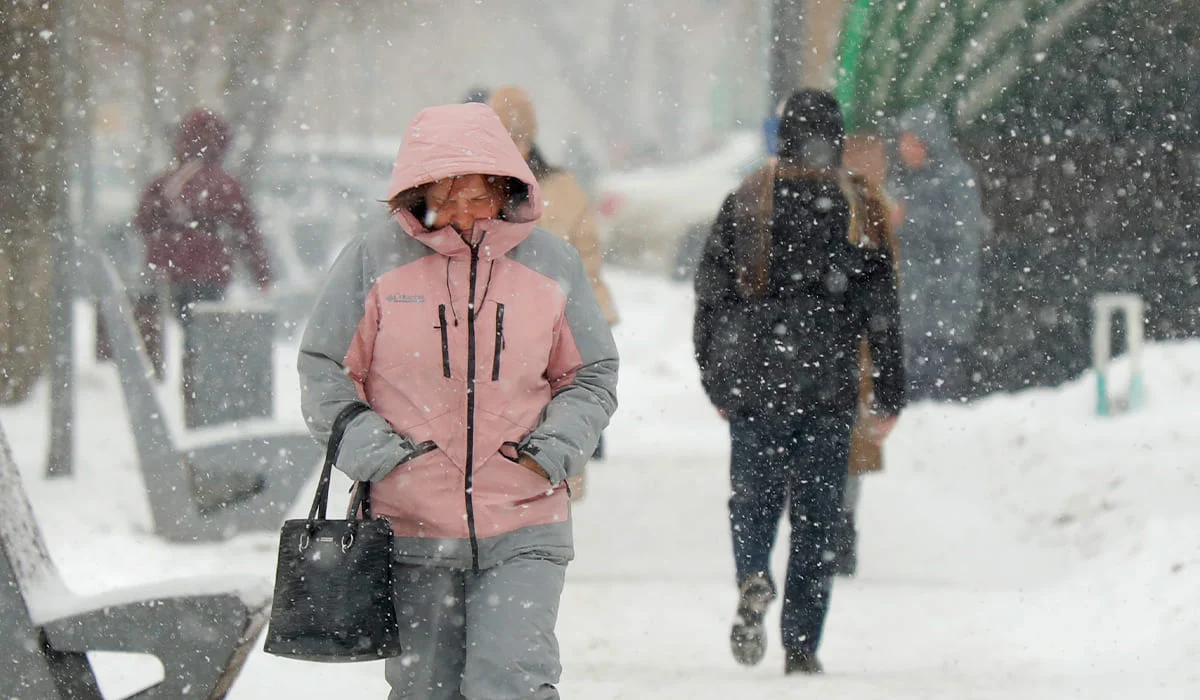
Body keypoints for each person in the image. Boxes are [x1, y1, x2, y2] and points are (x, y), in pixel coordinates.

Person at [297, 102, 618, 699]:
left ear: (505, 189)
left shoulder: (551, 264)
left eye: (477, 196)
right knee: (425, 691)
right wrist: (377, 452)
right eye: (445, 196)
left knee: (512, 683)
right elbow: (324, 368)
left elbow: (591, 373)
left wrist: (550, 450)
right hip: (410, 525)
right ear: (417, 193)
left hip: (525, 519)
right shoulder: (373, 260)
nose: (462, 214)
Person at [692, 89, 905, 675]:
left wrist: (717, 379)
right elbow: (880, 307)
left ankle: (753, 572)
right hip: (828, 383)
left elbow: (712, 295)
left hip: (756, 383)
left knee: (753, 498)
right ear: (835, 140)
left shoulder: (747, 200)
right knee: (818, 517)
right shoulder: (857, 206)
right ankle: (802, 645)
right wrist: (888, 392)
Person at [487, 85, 619, 496]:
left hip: (550, 340)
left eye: (516, 140)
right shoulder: (482, 192)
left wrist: (589, 327)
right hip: (498, 339)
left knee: (550, 456)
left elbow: (587, 263)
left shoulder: (556, 191)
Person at [133, 107, 273, 326]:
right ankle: (192, 356)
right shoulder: (225, 185)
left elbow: (143, 222)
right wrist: (260, 272)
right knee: (201, 336)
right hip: (208, 273)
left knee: (159, 333)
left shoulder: (166, 181)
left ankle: (158, 358)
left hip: (165, 272)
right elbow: (245, 232)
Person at [886, 105, 987, 402]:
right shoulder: (903, 180)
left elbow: (961, 228)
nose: (906, 149)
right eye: (903, 141)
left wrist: (909, 218)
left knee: (941, 387)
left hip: (945, 305)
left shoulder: (957, 177)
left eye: (913, 141)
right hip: (911, 308)